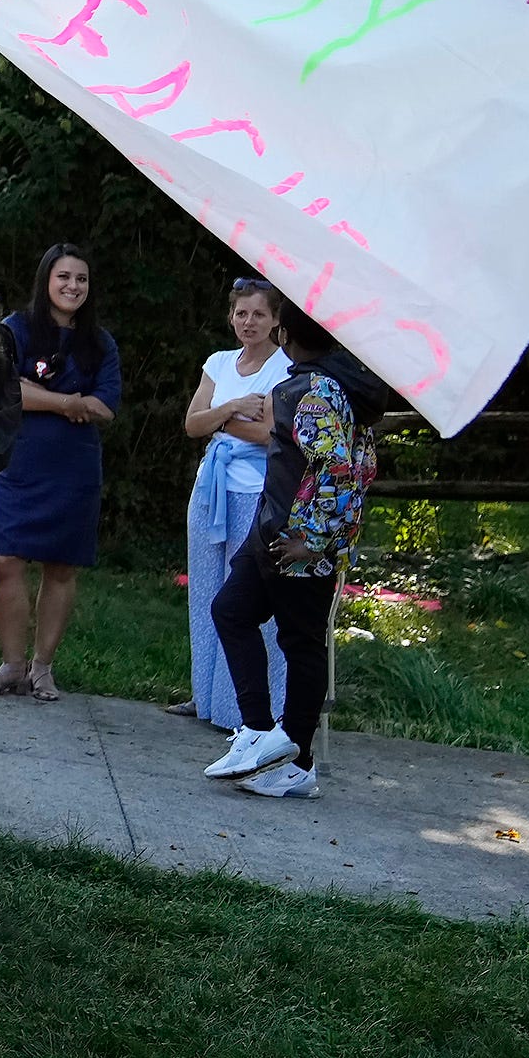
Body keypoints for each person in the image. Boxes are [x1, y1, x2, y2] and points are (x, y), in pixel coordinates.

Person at [203, 304, 397, 800]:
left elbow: (337, 470)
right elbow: (361, 463)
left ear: (285, 334)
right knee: (231, 610)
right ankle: (257, 732)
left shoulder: (307, 393)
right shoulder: (333, 386)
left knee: (302, 642)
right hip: (273, 532)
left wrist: (312, 541)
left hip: (298, 542)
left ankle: (297, 762)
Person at [0, 243, 119, 700]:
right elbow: (5, 390)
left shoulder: (100, 342)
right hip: (16, 462)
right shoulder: (14, 330)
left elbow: (106, 406)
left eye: (81, 279)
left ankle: (42, 668)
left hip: (73, 469)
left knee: (61, 568)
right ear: (46, 280)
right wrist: (69, 402)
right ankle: (11, 665)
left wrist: (41, 395)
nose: (73, 286)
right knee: (4, 564)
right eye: (64, 277)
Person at [180, 278, 292, 730]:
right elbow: (192, 423)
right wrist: (231, 411)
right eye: (242, 314)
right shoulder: (219, 362)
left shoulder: (284, 368)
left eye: (259, 314)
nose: (249, 322)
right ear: (231, 317)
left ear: (276, 319)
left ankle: (239, 709)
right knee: (205, 591)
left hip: (254, 489)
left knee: (242, 596)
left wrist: (220, 420)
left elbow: (271, 435)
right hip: (212, 486)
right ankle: (203, 697)